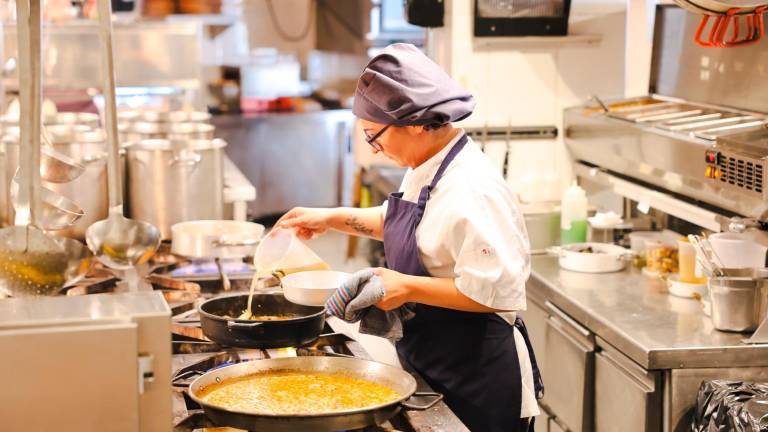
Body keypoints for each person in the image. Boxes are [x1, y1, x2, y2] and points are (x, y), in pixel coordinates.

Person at [278, 43, 543, 432]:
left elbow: (495, 291)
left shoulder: (472, 188)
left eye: (374, 136)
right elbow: (411, 225)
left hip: (477, 378)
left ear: (418, 122)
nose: (375, 148)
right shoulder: (427, 164)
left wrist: (404, 286)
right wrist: (333, 218)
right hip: (433, 359)